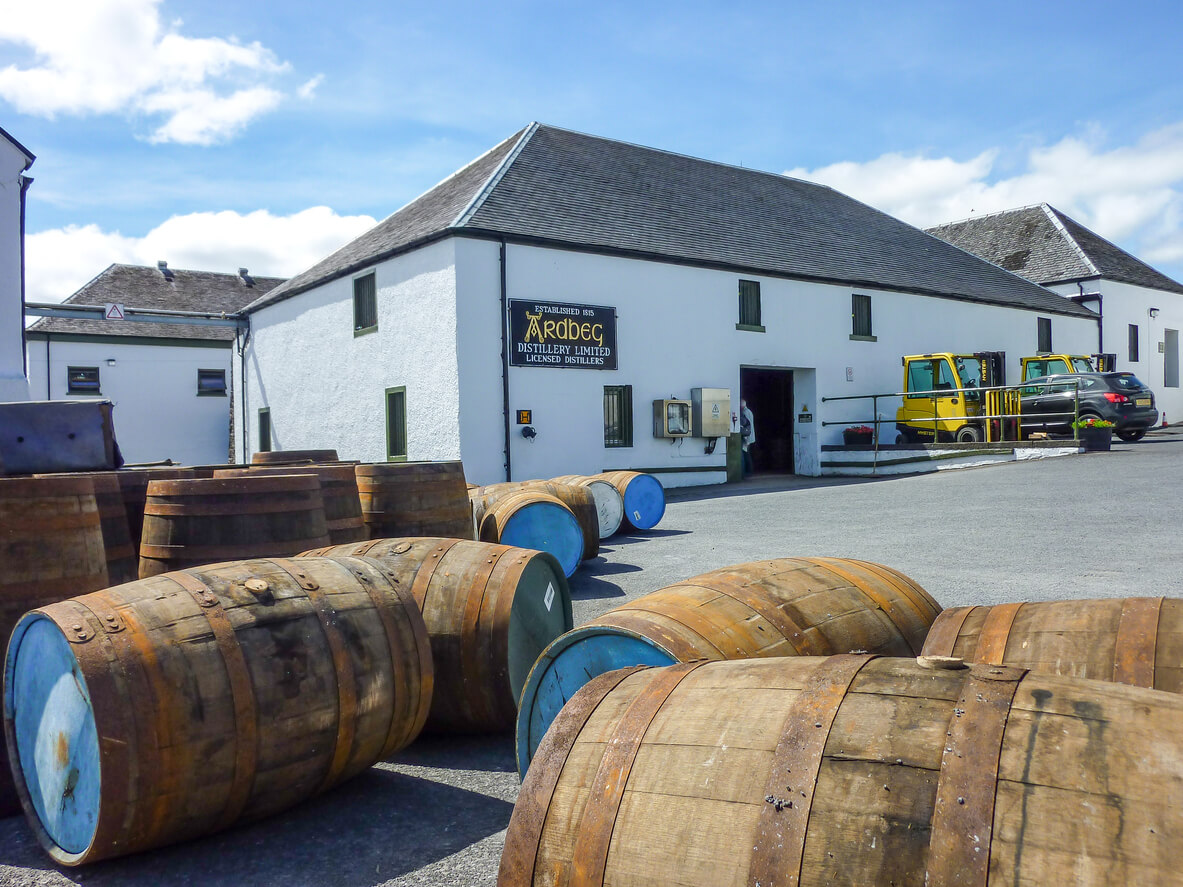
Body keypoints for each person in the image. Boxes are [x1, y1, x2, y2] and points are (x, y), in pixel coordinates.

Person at [740, 398, 755, 477]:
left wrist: (746, 438)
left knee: (746, 454)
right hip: (749, 436)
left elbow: (747, 426)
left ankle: (748, 471)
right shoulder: (749, 411)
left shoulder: (745, 413)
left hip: (747, 437)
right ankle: (749, 471)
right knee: (747, 454)